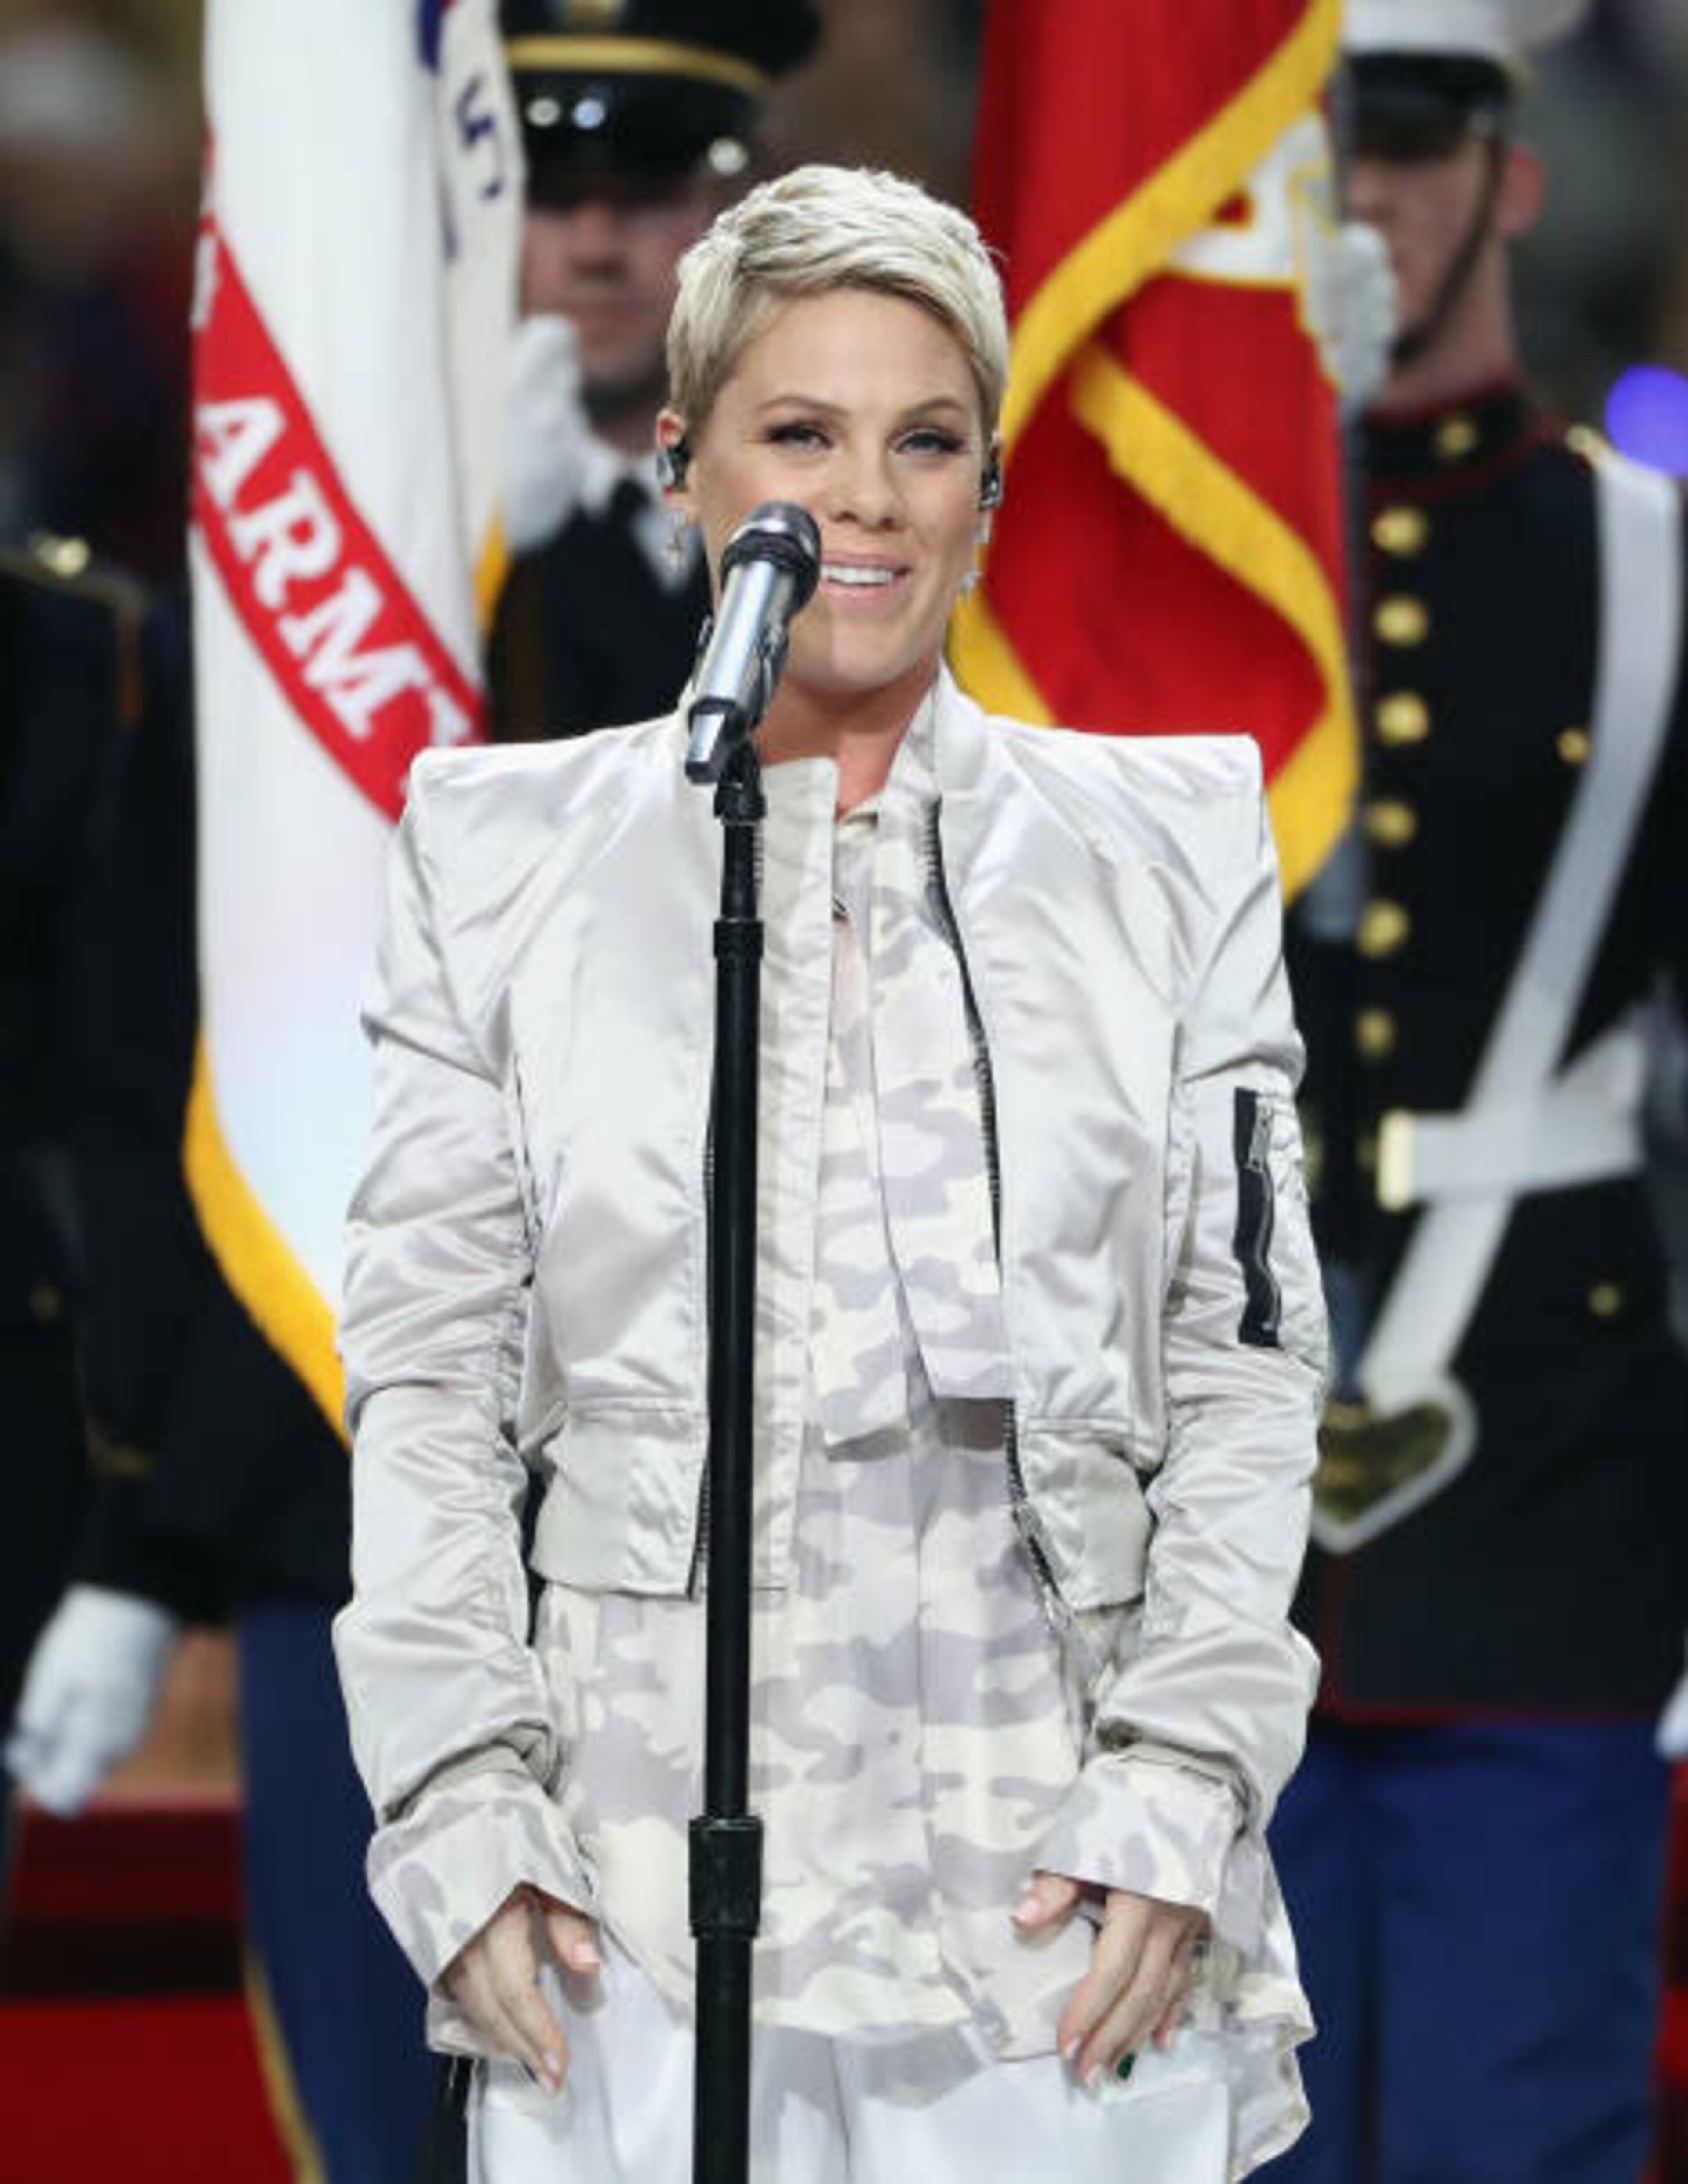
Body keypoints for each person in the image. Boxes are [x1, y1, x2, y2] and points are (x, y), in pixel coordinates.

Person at [335, 164, 1329, 2182]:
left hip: (1058, 1889)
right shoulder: (499, 849)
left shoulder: (1170, 842)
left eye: (924, 439)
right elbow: (430, 1371)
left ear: (990, 492)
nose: (863, 495)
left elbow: (1243, 1368)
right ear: (686, 463)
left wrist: (1185, 1778)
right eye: (802, 433)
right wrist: (454, 1787)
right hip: (620, 1876)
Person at [1271, 4, 1688, 2180]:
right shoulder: (1170, 591)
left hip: (1547, 1480)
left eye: (1407, 144)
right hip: (1205, 1537)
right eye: (1315, 144)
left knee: (1512, 2137)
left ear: (1510, 177)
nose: (1359, 192)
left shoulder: (1648, 564)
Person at [489, 0, 819, 739]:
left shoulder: (833, 499)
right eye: (549, 197)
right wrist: (464, 560)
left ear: (736, 210)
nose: (595, 249)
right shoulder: (410, 515)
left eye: (644, 196)